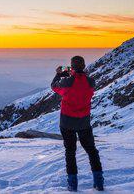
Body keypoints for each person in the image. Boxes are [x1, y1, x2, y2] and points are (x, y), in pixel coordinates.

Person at [51, 56, 104, 192]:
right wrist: (72, 73)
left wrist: (59, 74)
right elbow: (82, 84)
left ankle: (72, 184)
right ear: (84, 66)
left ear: (72, 67)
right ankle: (99, 182)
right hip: (84, 122)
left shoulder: (67, 82)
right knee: (92, 151)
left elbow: (54, 87)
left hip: (67, 122)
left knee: (70, 152)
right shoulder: (91, 82)